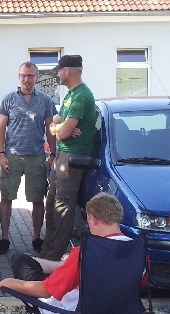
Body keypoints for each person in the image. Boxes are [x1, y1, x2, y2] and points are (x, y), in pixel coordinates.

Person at [0, 192, 131, 314]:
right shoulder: (136, 250)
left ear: (93, 219)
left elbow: (45, 291)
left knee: (19, 261)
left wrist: (8, 283)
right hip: (116, 313)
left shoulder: (86, 253)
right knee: (46, 266)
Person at [0, 62, 57, 255]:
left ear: (37, 77)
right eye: (23, 75)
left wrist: (53, 154)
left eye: (30, 76)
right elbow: (1, 128)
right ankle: (4, 238)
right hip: (12, 156)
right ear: (18, 76)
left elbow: (50, 129)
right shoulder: (9, 99)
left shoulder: (45, 100)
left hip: (36, 156)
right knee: (6, 197)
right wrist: (1, 154)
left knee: (37, 199)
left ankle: (36, 238)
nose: (26, 79)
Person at [39, 55, 96, 261]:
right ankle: (46, 253)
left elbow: (61, 133)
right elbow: (53, 125)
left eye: (59, 70)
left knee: (62, 209)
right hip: (63, 155)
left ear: (68, 72)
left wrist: (60, 129)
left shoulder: (81, 96)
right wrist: (60, 128)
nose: (57, 74)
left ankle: (53, 258)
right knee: (51, 206)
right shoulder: (71, 95)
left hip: (73, 157)